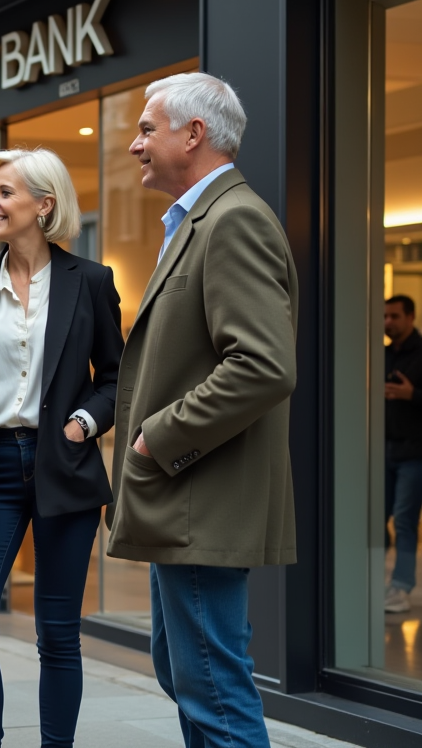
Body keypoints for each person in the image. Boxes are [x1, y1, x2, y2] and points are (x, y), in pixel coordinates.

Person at [106, 72, 298, 748]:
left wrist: (156, 439)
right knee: (188, 676)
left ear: (194, 134)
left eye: (146, 129)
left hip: (200, 498)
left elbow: (263, 366)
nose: (134, 145)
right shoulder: (199, 220)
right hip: (186, 499)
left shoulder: (233, 219)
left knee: (212, 689)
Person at [0, 148, 124, 748]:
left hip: (65, 465)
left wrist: (83, 423)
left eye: (5, 193)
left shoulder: (91, 281)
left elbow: (116, 378)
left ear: (44, 205)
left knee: (58, 633)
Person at [384, 295, 422, 613]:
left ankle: (401, 586)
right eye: (385, 316)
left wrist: (413, 394)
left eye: (395, 316)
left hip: (414, 453)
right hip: (383, 451)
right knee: (374, 519)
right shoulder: (381, 354)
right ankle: (375, 580)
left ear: (411, 317)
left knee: (405, 522)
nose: (388, 322)